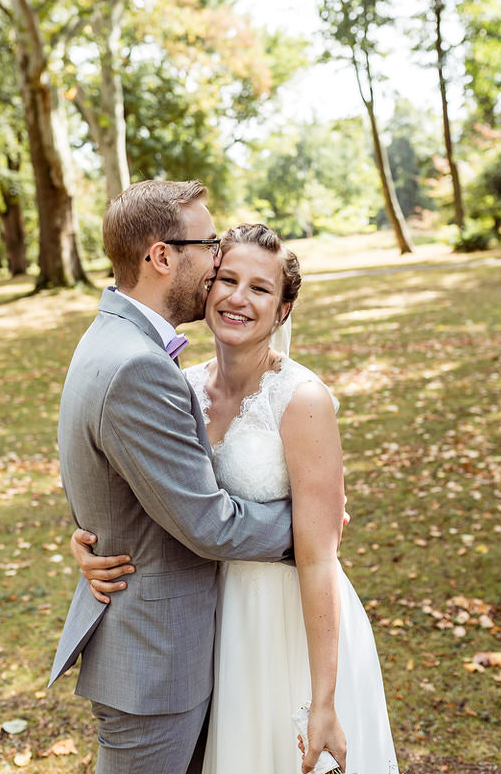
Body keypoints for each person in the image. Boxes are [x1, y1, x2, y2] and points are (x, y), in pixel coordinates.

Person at [72, 223, 399, 774]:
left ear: (283, 310)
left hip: (285, 624)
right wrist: (88, 542)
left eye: (260, 288)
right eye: (227, 279)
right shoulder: (181, 387)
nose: (237, 299)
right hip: (209, 625)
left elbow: (318, 557)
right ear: (207, 287)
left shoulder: (303, 400)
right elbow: (158, 492)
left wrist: (323, 699)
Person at [49, 182, 302, 774]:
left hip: (175, 641)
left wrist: (99, 534)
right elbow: (207, 524)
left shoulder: (113, 339)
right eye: (209, 243)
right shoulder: (137, 365)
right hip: (154, 660)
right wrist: (306, 526)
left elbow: (111, 472)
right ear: (162, 257)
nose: (218, 259)